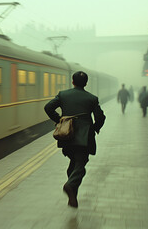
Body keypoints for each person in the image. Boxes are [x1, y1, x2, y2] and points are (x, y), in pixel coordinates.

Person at [44, 71, 106, 208]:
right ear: (86, 83)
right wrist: (95, 127)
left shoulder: (63, 94)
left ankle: (73, 197)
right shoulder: (92, 98)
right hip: (84, 137)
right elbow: (100, 117)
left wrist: (59, 120)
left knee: (74, 163)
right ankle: (70, 185)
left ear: (72, 82)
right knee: (81, 164)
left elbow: (48, 107)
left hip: (67, 135)